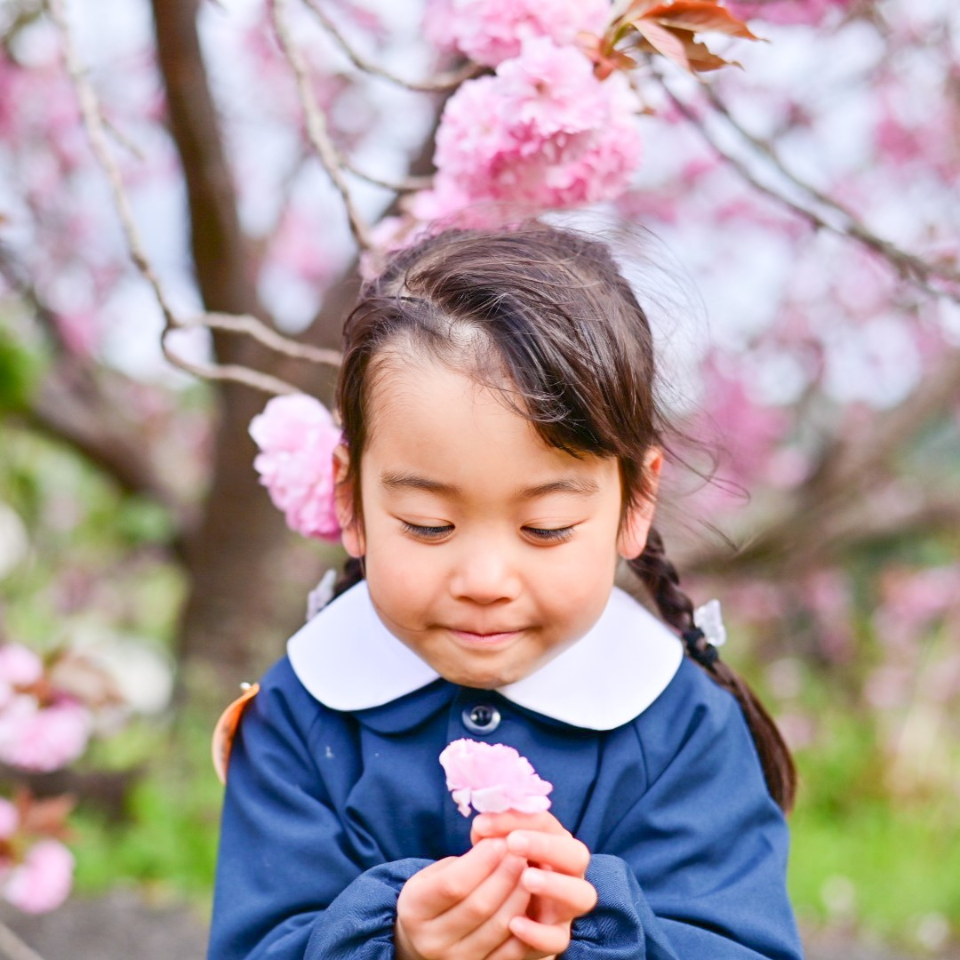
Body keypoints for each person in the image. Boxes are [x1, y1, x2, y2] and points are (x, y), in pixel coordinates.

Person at [207, 223, 803, 960]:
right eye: (428, 525)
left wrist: (589, 928)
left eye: (546, 528)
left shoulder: (681, 726)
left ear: (634, 504)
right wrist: (392, 940)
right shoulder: (303, 712)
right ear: (352, 500)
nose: (485, 583)